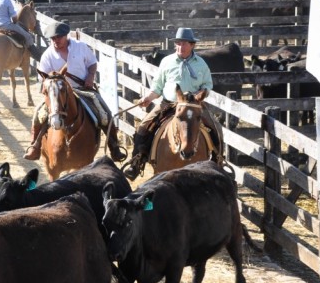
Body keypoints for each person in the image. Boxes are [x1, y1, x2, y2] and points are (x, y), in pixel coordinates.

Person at [120, 27, 223, 180]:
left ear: (192, 45)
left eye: (184, 44)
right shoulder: (167, 62)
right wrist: (148, 98)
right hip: (168, 104)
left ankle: (218, 162)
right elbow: (157, 87)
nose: (181, 47)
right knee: (143, 127)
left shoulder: (201, 64)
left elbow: (208, 86)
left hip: (194, 105)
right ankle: (136, 162)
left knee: (216, 128)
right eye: (178, 44)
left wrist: (199, 95)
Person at [24, 21, 127, 162]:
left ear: (66, 36)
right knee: (39, 114)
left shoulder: (81, 47)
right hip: (58, 93)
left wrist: (90, 77)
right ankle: (34, 145)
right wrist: (48, 90)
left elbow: (92, 63)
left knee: (104, 113)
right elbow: (43, 79)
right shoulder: (47, 55)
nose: (55, 41)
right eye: (53, 39)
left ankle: (114, 146)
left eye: (58, 37)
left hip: (83, 89)